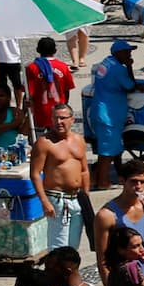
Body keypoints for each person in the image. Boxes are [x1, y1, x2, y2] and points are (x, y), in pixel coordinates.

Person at [31, 104, 89, 253]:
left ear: (72, 120)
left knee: (73, 246)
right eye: (55, 118)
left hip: (77, 198)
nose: (58, 122)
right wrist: (44, 201)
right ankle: (54, 275)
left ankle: (68, 274)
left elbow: (84, 170)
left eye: (62, 118)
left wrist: (86, 194)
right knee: (58, 248)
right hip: (57, 199)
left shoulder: (79, 140)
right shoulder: (44, 143)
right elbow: (35, 174)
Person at [88, 40, 142, 188]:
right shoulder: (118, 69)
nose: (129, 54)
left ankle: (95, 177)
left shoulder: (106, 63)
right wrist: (129, 66)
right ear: (118, 52)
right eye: (127, 52)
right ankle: (102, 182)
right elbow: (130, 86)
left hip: (102, 109)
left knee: (105, 150)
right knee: (107, 153)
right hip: (109, 114)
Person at [25, 38, 76, 136]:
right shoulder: (63, 66)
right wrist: (64, 105)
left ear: (37, 50)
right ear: (55, 51)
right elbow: (67, 89)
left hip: (39, 111)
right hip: (58, 110)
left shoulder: (32, 68)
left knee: (38, 140)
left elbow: (29, 92)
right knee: (57, 139)